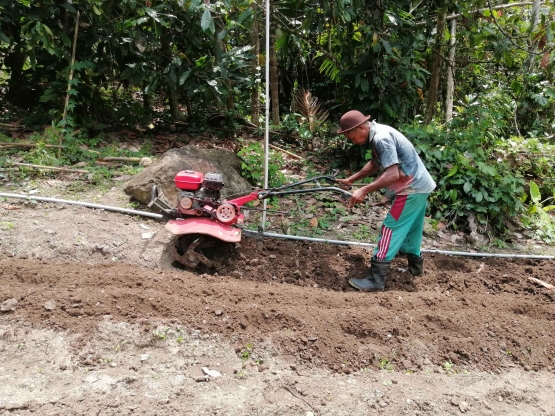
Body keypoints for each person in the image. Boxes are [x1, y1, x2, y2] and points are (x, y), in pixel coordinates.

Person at [336, 110, 436, 292]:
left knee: (391, 227)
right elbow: (375, 164)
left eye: (352, 138)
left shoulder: (381, 138)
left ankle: (376, 279)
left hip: (411, 189)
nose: (353, 142)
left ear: (361, 127)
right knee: (412, 230)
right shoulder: (377, 134)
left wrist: (364, 190)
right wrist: (352, 180)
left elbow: (392, 174)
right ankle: (416, 269)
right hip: (420, 186)